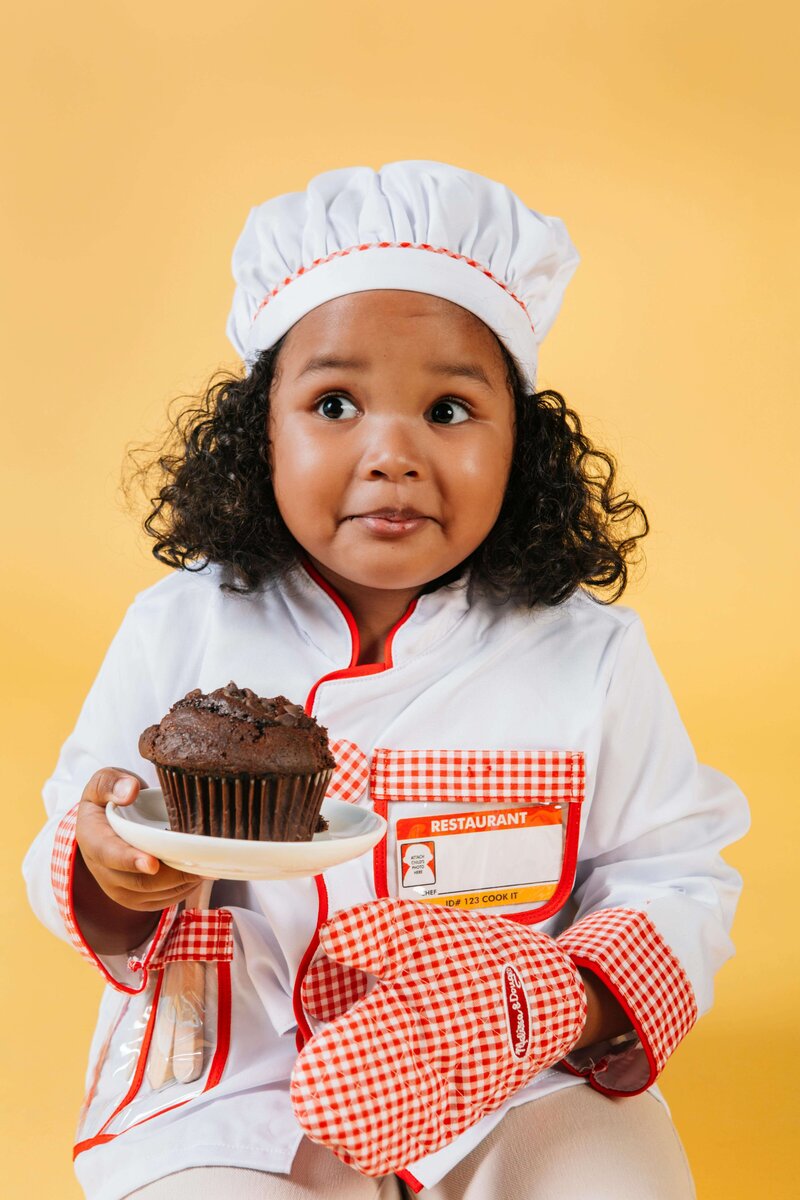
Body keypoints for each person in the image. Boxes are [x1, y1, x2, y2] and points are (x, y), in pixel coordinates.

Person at [23, 161, 749, 1200]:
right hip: (233, 1075)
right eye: (333, 403)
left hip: (509, 1077)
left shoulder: (587, 652)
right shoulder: (180, 624)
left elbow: (673, 874)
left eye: (449, 410)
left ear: (523, 446)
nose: (392, 452)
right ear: (257, 435)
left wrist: (556, 1000)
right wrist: (111, 868)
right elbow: (84, 817)